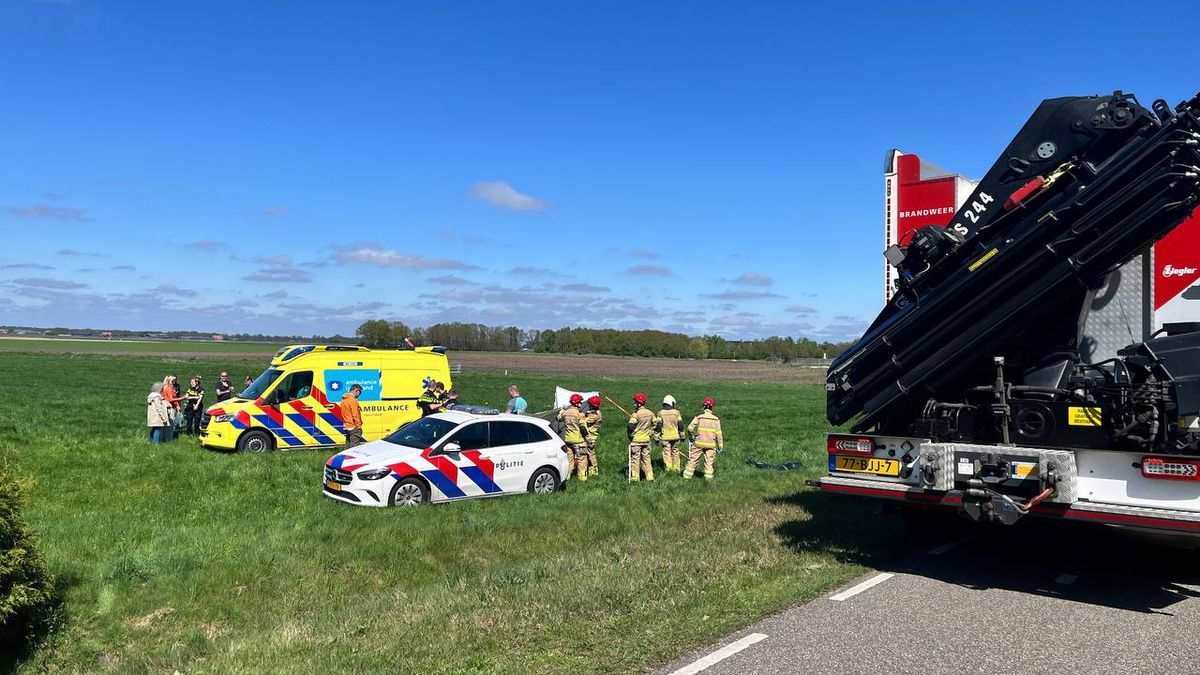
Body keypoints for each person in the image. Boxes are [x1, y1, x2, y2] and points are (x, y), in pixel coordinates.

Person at [684, 398, 724, 480]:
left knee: (693, 460)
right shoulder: (716, 419)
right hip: (711, 445)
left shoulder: (699, 417)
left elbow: (689, 428)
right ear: (712, 408)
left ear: (704, 407)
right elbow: (719, 434)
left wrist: (692, 438)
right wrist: (720, 446)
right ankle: (708, 480)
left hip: (698, 443)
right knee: (709, 463)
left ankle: (686, 478)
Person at [557, 394, 589, 481]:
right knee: (582, 459)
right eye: (580, 402)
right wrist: (587, 439)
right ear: (577, 403)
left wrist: (562, 410)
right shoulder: (580, 414)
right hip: (578, 440)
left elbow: (558, 418)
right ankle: (582, 478)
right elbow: (583, 428)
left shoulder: (565, 412)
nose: (581, 403)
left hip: (568, 440)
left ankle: (567, 477)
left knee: (569, 460)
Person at [627, 392, 655, 482]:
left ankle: (635, 479)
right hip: (646, 441)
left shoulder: (636, 414)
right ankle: (650, 478)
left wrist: (630, 435)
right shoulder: (650, 413)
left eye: (635, 402)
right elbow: (657, 424)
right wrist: (651, 433)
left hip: (636, 441)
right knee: (647, 460)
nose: (634, 404)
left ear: (638, 403)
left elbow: (630, 426)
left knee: (635, 460)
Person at [656, 395, 685, 474]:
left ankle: (668, 469)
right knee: (675, 451)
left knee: (667, 452)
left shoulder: (660, 413)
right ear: (671, 403)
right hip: (676, 437)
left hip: (665, 438)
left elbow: (658, 425)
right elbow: (680, 425)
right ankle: (676, 469)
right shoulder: (677, 413)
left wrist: (656, 437)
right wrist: (682, 435)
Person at [582, 395, 603, 477]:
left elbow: (584, 422)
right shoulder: (596, 413)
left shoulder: (595, 415)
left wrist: (581, 415)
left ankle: (593, 471)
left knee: (591, 455)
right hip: (590, 436)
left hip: (591, 438)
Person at [341, 383, 364, 447]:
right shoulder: (353, 400)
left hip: (347, 426)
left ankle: (344, 457)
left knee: (348, 447)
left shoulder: (344, 400)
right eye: (360, 392)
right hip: (353, 427)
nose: (359, 395)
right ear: (357, 391)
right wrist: (359, 426)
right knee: (354, 448)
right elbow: (355, 415)